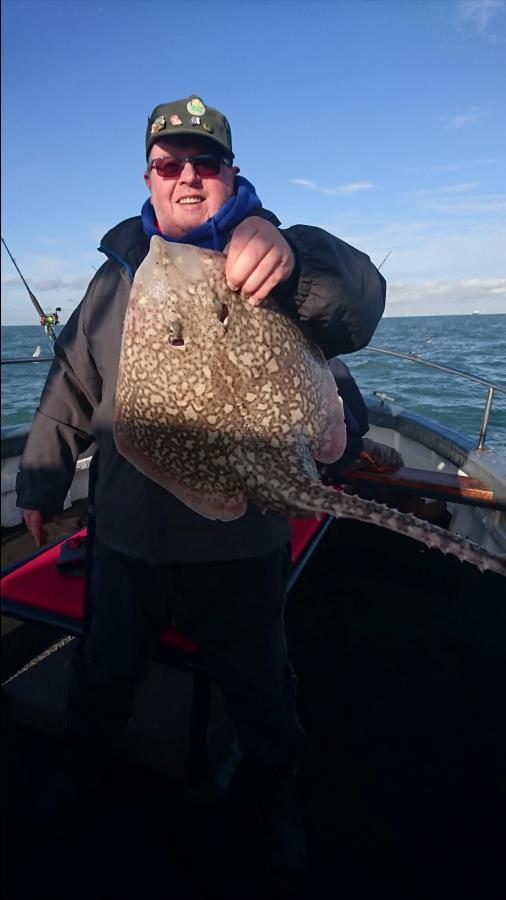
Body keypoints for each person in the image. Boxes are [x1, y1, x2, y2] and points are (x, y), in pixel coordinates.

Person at [16, 95, 386, 875]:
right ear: (148, 178)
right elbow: (73, 384)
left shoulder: (275, 263)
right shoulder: (118, 272)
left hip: (237, 541)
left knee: (258, 683)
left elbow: (356, 305)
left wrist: (296, 255)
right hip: (126, 531)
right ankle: (84, 762)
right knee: (104, 665)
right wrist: (43, 480)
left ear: (231, 175)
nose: (187, 178)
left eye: (204, 164)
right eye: (168, 164)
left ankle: (272, 794)